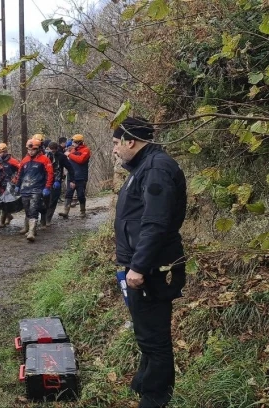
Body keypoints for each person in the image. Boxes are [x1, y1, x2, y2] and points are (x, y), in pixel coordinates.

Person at [113, 117, 187, 408]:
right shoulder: (144, 166)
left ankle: (154, 399)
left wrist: (139, 267)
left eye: (117, 144)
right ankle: (144, 384)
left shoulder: (156, 169)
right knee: (145, 332)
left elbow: (156, 223)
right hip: (143, 266)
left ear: (131, 141)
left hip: (153, 269)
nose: (115, 151)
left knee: (155, 339)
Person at [13, 138, 53, 241]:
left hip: (37, 189)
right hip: (25, 189)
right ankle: (31, 228)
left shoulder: (44, 159)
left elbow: (50, 174)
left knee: (33, 209)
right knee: (27, 209)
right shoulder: (25, 160)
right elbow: (20, 174)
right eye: (29, 150)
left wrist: (47, 187)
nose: (31, 152)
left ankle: (31, 232)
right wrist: (17, 185)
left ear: (38, 149)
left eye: (33, 150)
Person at [59, 134, 92, 218]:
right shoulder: (72, 150)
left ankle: (82, 212)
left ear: (79, 142)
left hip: (81, 176)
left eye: (74, 142)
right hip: (72, 175)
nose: (73, 143)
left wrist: (69, 154)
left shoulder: (86, 150)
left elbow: (80, 160)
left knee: (80, 194)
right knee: (69, 193)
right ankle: (65, 212)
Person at [44, 141, 74, 226]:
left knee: (53, 200)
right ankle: (43, 218)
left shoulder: (61, 157)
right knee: (44, 200)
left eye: (54, 150)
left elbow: (70, 168)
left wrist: (72, 180)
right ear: (48, 149)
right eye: (51, 150)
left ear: (57, 149)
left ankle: (48, 219)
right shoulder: (44, 156)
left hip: (56, 181)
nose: (52, 152)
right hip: (45, 181)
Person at [0, 143, 20, 228]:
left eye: (1, 152)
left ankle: (1, 221)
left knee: (5, 202)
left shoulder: (12, 161)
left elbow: (20, 169)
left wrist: (15, 178)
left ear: (5, 151)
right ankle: (9, 216)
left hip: (9, 185)